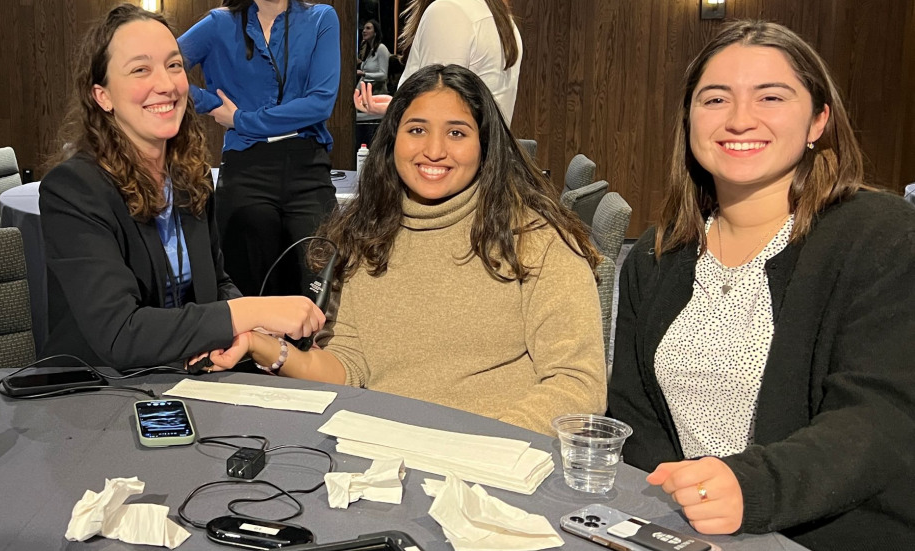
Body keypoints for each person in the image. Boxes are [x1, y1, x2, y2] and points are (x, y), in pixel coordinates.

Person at [608, 20, 915, 549]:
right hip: (685, 532)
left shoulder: (881, 237)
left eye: (770, 97)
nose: (739, 119)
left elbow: (879, 420)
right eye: (715, 100)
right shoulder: (657, 255)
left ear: (818, 119)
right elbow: (635, 419)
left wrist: (750, 489)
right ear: (689, 121)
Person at [216, 64, 607, 435]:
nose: (434, 150)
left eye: (457, 133)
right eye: (417, 130)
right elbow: (348, 367)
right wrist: (263, 347)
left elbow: (577, 384)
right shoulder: (365, 235)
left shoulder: (537, 239)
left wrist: (478, 447)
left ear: (485, 145)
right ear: (392, 139)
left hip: (496, 468)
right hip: (385, 455)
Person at [39, 4, 324, 370]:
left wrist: (257, 333)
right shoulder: (72, 189)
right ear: (102, 96)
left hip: (186, 379)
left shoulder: (191, 176)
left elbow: (217, 284)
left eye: (174, 65)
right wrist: (251, 310)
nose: (167, 84)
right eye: (141, 70)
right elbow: (120, 334)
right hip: (94, 394)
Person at [178, 0, 341, 297]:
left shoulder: (321, 19)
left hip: (308, 167)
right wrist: (212, 104)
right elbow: (165, 71)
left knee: (322, 281)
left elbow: (320, 103)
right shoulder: (219, 24)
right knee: (246, 283)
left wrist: (242, 119)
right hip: (246, 167)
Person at [354, 0, 522, 126]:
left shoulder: (448, 11)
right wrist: (397, 106)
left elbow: (435, 114)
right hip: (486, 163)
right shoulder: (502, 19)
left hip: (448, 165)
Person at [357, 19, 390, 95]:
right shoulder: (369, 51)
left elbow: (383, 75)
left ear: (375, 33)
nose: (364, 31)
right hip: (367, 93)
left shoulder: (381, 48)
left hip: (377, 93)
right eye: (364, 28)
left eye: (368, 28)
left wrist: (364, 74)